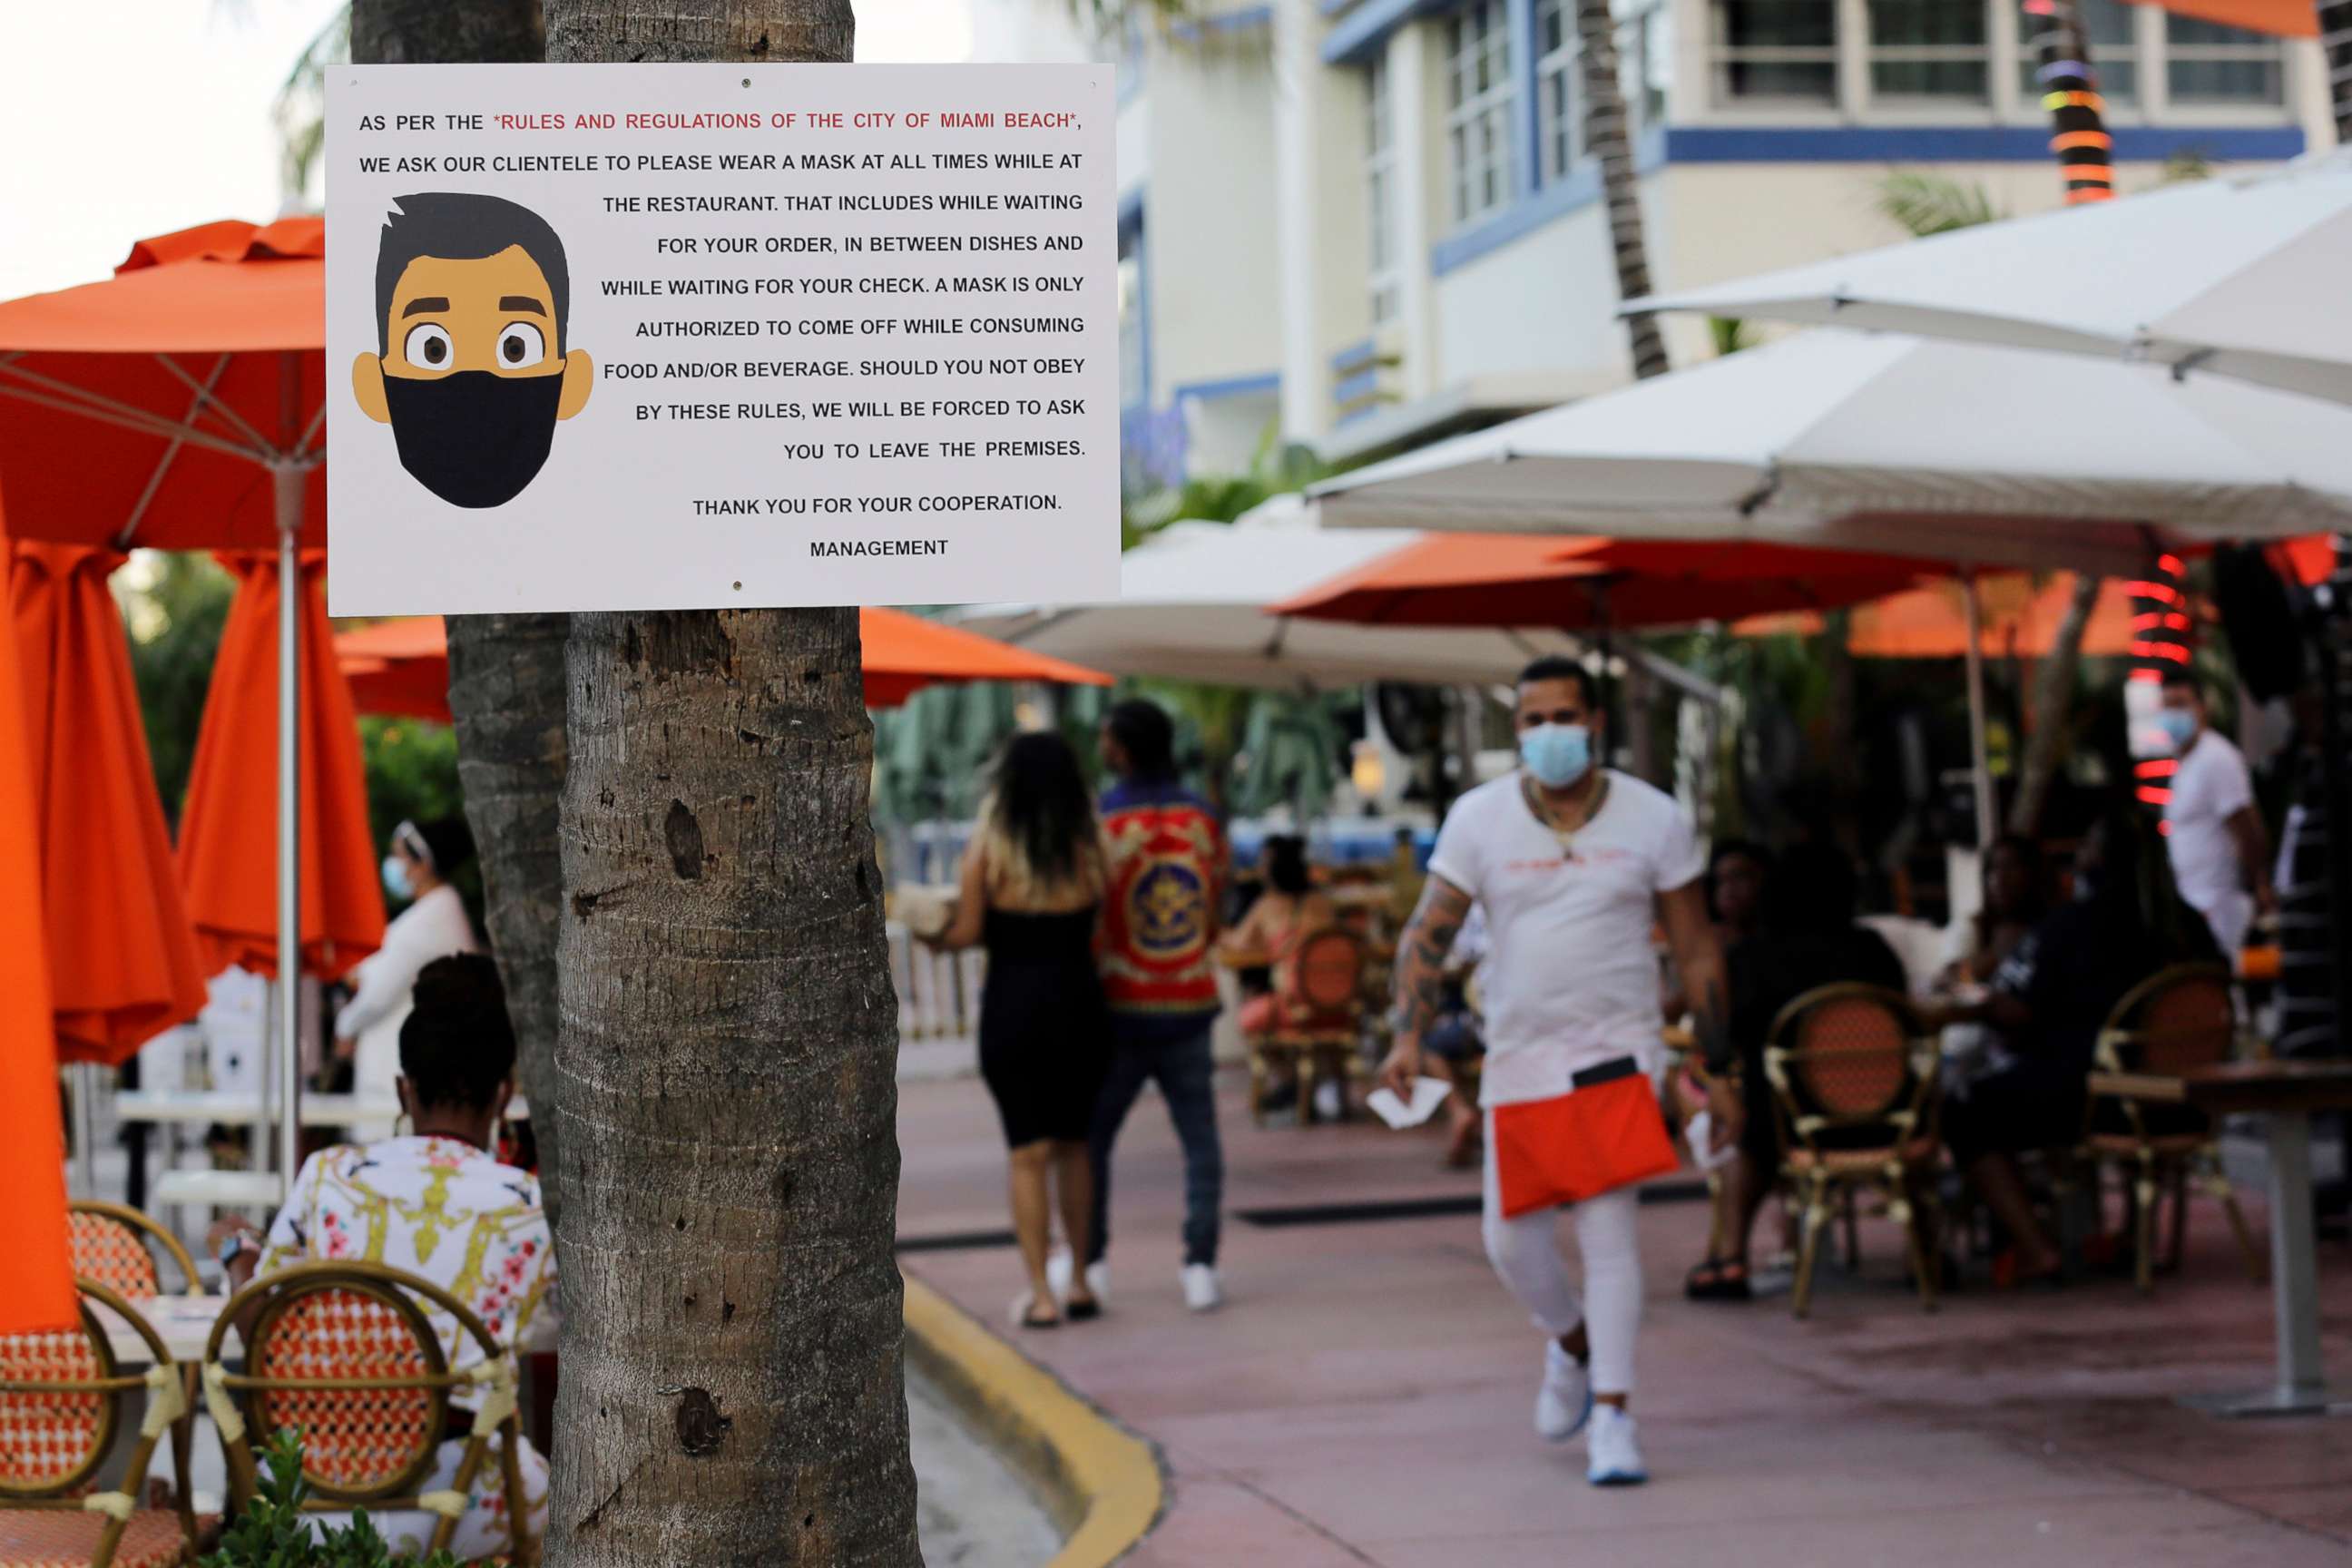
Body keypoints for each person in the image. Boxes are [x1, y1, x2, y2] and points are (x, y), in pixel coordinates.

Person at [1379, 656, 1735, 1487]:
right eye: (1531, 721)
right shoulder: (1480, 818)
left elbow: (1695, 946)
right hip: (1519, 1055)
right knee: (1510, 1241)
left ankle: (1614, 1416)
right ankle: (1570, 1343)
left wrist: (1717, 1064)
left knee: (1609, 1234)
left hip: (1616, 1049)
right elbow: (1428, 934)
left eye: (1562, 717)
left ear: (1595, 723)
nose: (1547, 735)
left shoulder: (1654, 819)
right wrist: (1406, 1038)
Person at [215, 956, 553, 1560]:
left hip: (317, 1495)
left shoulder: (330, 1176)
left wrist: (240, 1252)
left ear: (404, 1088)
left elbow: (254, 1326)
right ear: (505, 1091)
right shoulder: (529, 1203)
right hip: (459, 1500)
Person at [1938, 804, 2220, 1286]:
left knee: (1962, 1109)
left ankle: (2035, 1246)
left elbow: (2020, 1010)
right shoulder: (2185, 924)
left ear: (2096, 860)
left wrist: (1981, 997)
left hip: (2093, 1098)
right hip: (2182, 1099)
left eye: (2087, 845)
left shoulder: (2075, 925)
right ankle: (2130, 1235)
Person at [926, 732, 1111, 1329]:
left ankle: (1041, 1294)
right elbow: (1105, 925)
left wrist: (932, 932)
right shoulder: (1092, 849)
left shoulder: (989, 850)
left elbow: (965, 933)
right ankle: (1081, 1280)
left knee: (1027, 1154)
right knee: (1076, 1147)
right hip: (1081, 1006)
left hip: (1015, 1009)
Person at [1687, 843, 1908, 1302]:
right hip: (1885, 1119)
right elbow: (1907, 1020)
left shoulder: (1754, 957)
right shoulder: (1871, 950)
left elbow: (1731, 1032)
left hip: (1790, 1126)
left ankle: (1731, 1254)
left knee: (1745, 1122)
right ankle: (1928, 1245)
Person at [1086, 698, 1230, 1313]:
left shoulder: (1105, 821)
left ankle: (1091, 1262)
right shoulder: (1204, 817)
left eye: (1105, 738)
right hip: (1192, 999)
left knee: (1093, 1141)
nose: (1100, 747)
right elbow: (1218, 903)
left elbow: (1092, 912)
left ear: (1122, 747)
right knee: (1201, 1142)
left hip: (1121, 1005)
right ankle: (1200, 1264)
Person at [334, 817, 478, 1138]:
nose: (393, 864)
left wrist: (344, 1026)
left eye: (399, 855)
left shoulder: (429, 920)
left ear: (423, 863)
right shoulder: (434, 914)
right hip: (406, 1072)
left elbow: (377, 996)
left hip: (398, 1074)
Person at [2156, 671, 2274, 959]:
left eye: (2180, 703)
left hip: (2223, 905)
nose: (2173, 713)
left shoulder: (2217, 758)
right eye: (2166, 705)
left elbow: (2247, 827)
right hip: (2197, 908)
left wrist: (2259, 886)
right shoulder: (2183, 763)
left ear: (2201, 707)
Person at [1226, 835, 1338, 1035]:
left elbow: (1238, 944)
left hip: (1291, 1009)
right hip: (1337, 1006)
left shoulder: (1267, 905)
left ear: (1271, 871)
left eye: (1262, 864)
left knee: (1245, 1011)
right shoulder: (1323, 903)